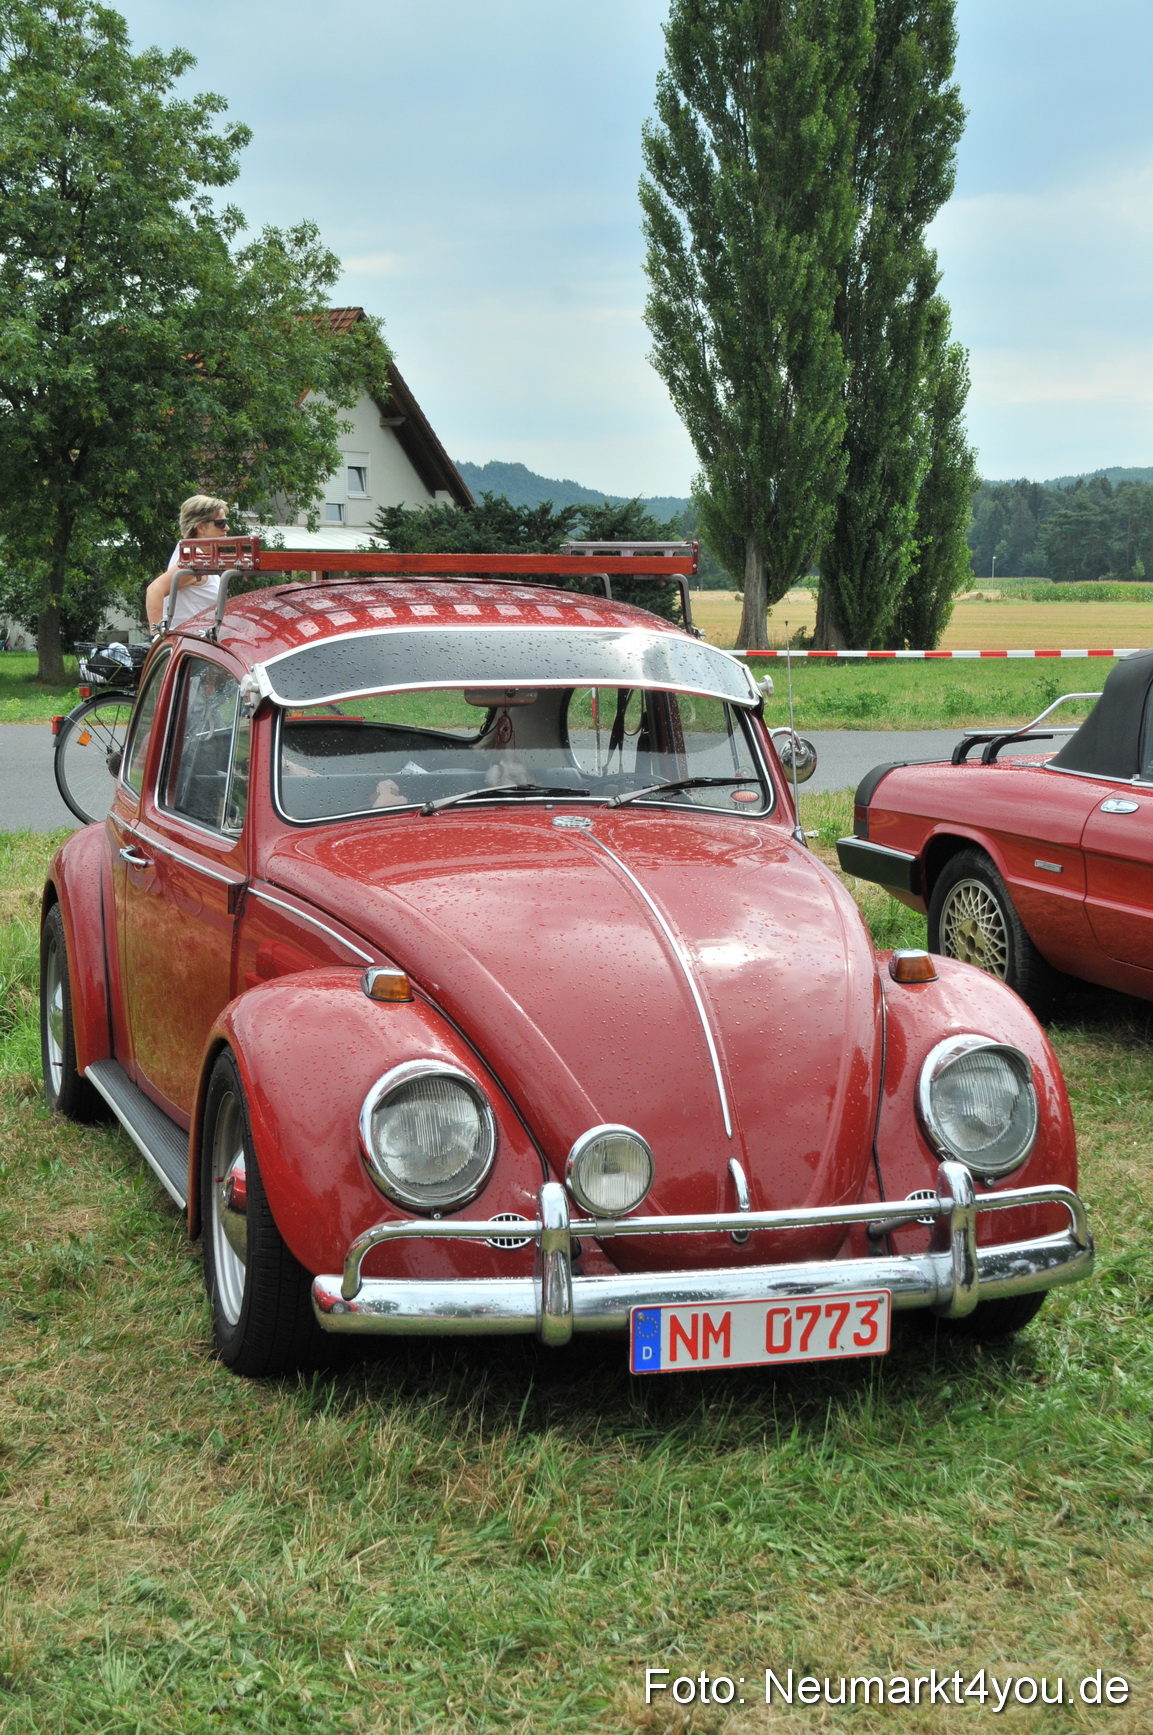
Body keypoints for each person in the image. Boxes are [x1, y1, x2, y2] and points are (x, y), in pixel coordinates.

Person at [146, 496, 231, 635]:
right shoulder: (194, 559)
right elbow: (154, 590)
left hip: (192, 644)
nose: (227, 528)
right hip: (189, 646)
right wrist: (156, 637)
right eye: (220, 523)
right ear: (201, 527)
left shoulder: (190, 553)